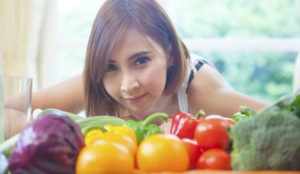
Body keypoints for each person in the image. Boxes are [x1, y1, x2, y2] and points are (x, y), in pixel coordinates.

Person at [32, 0, 268, 121]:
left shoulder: (200, 90)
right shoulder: (97, 81)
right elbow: (13, 108)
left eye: (141, 61)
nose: (127, 85)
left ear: (171, 54)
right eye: (110, 67)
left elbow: (285, 118)